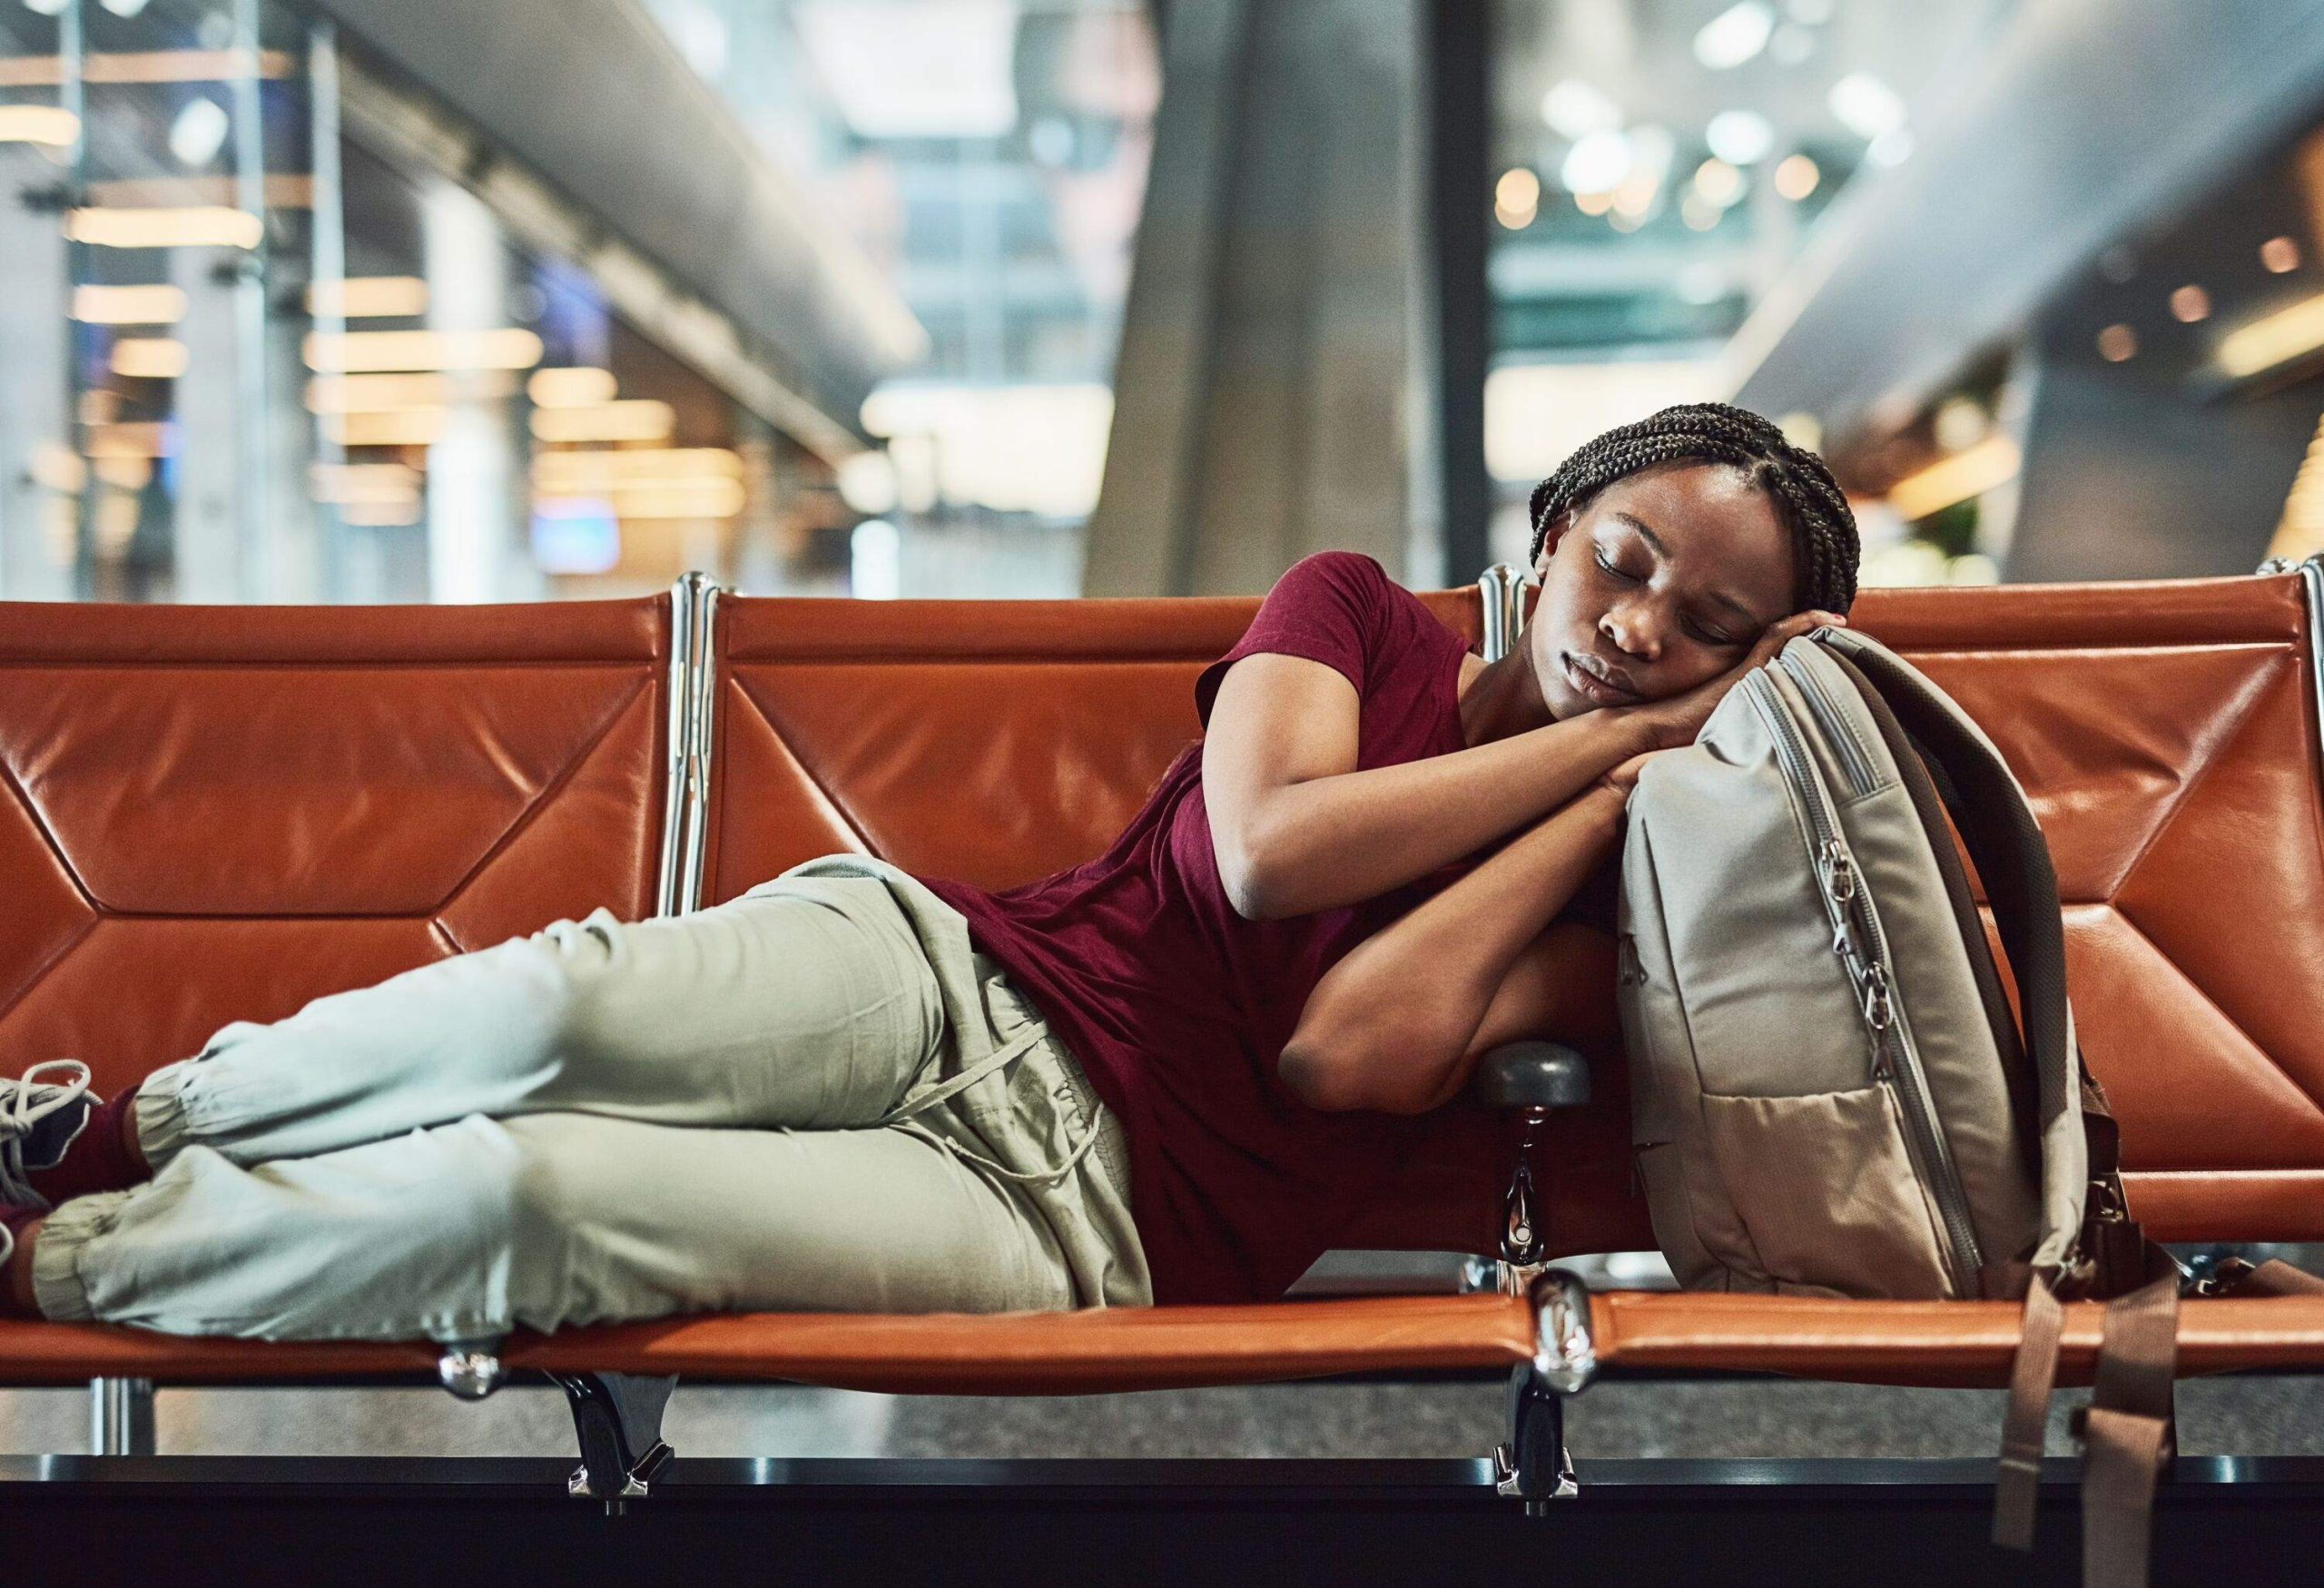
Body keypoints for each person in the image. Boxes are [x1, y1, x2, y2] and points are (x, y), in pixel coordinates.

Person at [0, 402, 1858, 1340]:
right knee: (547, 1005)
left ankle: (56, 1267)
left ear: (1753, 673)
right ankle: (110, 1131)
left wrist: (1609, 803)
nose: (1635, 631)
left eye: (1705, 632)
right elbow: (1260, 856)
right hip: (955, 977)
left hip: (1094, 1228)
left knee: (528, 1203)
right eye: (1621, 561)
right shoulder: (1349, 612)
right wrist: (1604, 744)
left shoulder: (1638, 892)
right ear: (1547, 533)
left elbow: (1343, 1050)